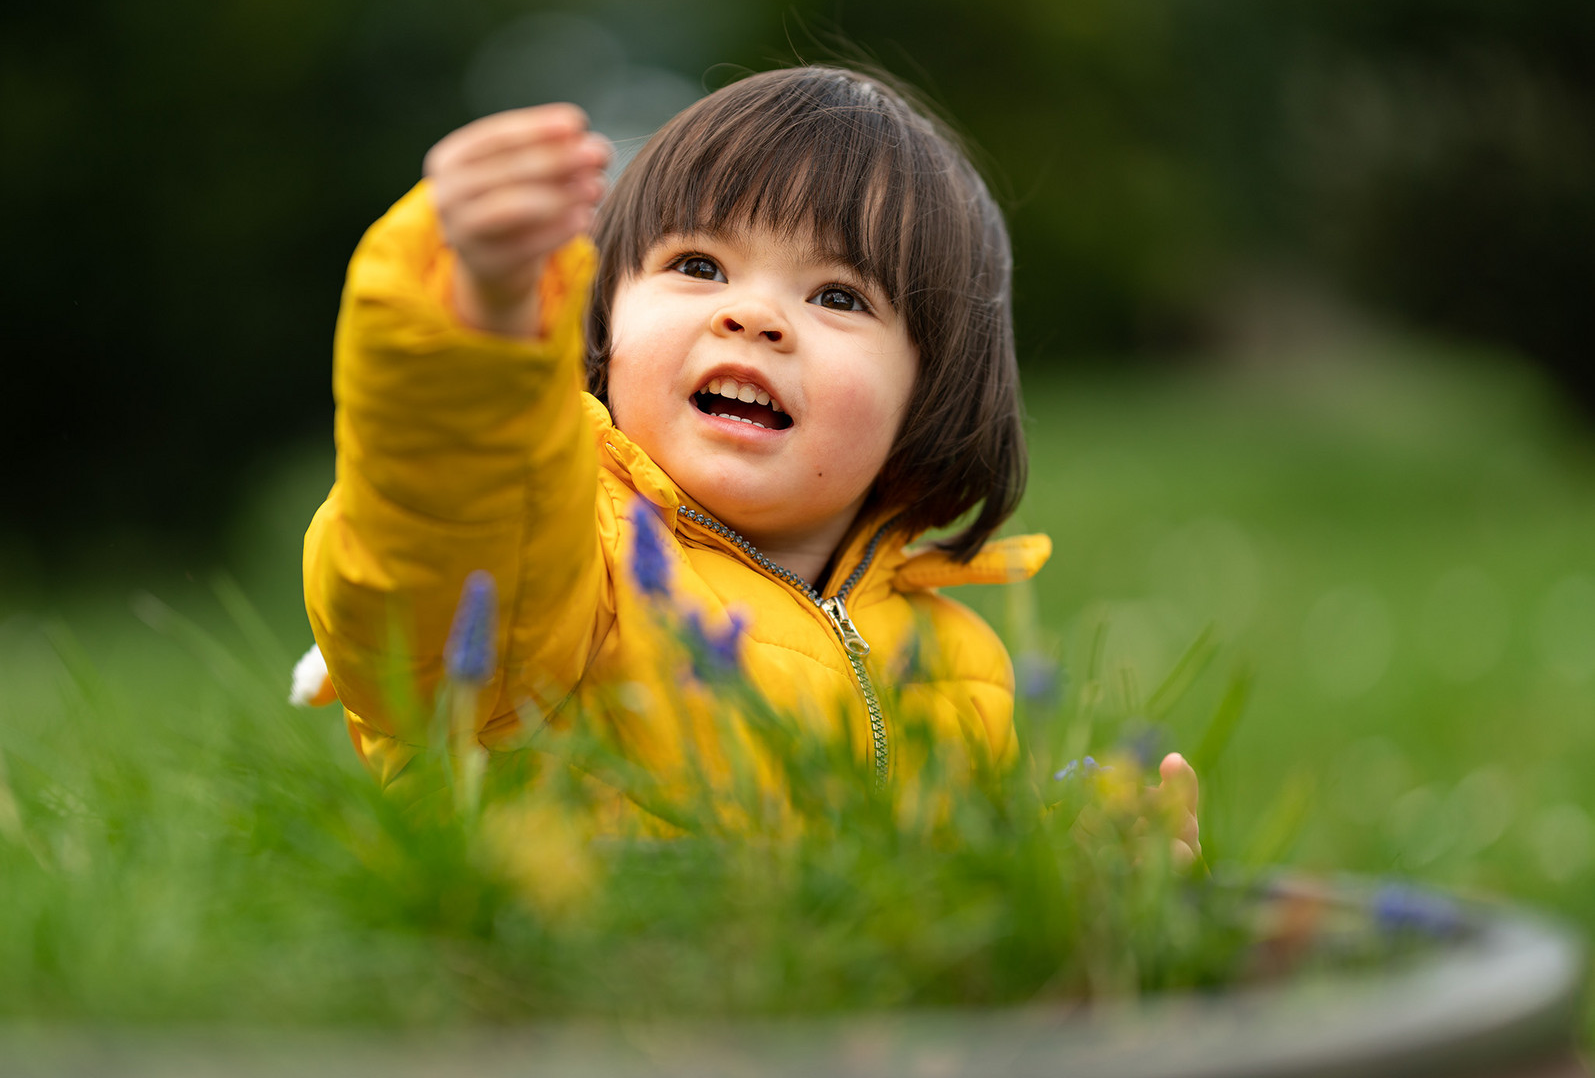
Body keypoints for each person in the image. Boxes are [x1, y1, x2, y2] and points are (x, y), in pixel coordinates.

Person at [299, 65, 1198, 845]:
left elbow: (954, 925)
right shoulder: (565, 559)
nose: (754, 315)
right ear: (602, 320)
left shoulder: (962, 667)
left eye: (839, 295)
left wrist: (1090, 883)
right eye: (698, 266)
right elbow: (435, 549)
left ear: (928, 395)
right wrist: (480, 334)